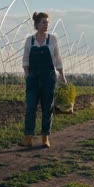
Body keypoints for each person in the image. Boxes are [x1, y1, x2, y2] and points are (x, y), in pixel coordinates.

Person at [22, 12, 66, 148]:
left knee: (47, 108)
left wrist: (63, 77)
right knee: (30, 108)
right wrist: (28, 75)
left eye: (47, 22)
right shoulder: (30, 40)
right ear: (37, 24)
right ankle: (28, 137)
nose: (47, 25)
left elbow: (57, 59)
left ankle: (45, 137)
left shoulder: (52, 40)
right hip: (33, 78)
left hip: (48, 77)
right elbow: (25, 59)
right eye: (44, 22)